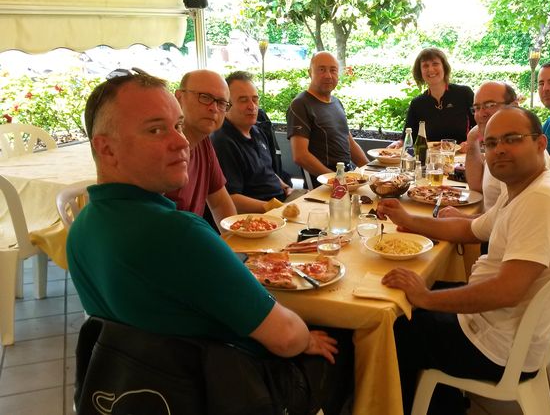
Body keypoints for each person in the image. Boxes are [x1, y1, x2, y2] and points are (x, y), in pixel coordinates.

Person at [68, 70, 351, 413]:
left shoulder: (82, 227)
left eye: (177, 125)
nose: (180, 142)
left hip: (134, 386)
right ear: (106, 149)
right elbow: (286, 338)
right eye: (156, 130)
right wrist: (306, 339)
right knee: (346, 340)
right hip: (219, 391)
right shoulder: (179, 233)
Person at [377, 106, 550, 414]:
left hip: (496, 344)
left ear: (540, 143)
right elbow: (469, 229)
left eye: (512, 139)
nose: (499, 149)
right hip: (505, 325)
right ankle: (444, 401)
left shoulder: (541, 201)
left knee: (392, 324)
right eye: (491, 143)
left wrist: (426, 299)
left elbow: (507, 291)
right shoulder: (524, 188)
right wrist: (407, 219)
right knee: (407, 297)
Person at [438, 81, 550, 219]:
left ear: (514, 106)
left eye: (490, 105)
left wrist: (462, 218)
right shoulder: (498, 144)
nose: (481, 114)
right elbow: (477, 187)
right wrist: (472, 139)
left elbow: (507, 220)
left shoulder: (518, 154)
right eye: (477, 108)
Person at [212, 71, 296, 211]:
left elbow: (266, 171)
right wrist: (277, 208)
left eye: (255, 99)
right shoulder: (223, 141)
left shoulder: (257, 131)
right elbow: (230, 199)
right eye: (243, 100)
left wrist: (286, 188)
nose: (252, 106)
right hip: (259, 215)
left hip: (281, 202)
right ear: (226, 104)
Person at [164, 69, 236, 229]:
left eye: (221, 103)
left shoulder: (204, 143)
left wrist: (237, 241)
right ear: (179, 97)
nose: (214, 108)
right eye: (205, 97)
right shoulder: (162, 149)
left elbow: (220, 203)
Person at [286, 51, 368, 182]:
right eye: (321, 69)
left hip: (347, 176)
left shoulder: (336, 102)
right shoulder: (300, 104)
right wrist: (337, 180)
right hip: (324, 183)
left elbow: (349, 143)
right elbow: (300, 156)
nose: (328, 75)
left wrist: (370, 171)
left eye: (333, 70)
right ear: (310, 73)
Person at [389, 47, 475, 148]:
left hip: (463, 154)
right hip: (431, 156)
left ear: (444, 67)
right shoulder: (417, 104)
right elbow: (407, 136)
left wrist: (470, 142)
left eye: (435, 64)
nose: (430, 69)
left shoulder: (464, 94)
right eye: (425, 66)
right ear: (420, 71)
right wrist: (399, 143)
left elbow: (480, 125)